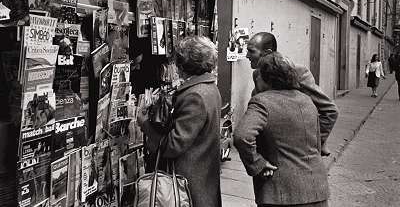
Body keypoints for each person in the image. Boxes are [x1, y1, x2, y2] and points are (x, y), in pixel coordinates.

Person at [234, 52, 329, 207]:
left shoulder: (262, 102)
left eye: (258, 75)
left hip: (281, 192)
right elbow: (316, 141)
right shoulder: (307, 100)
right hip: (317, 188)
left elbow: (242, 136)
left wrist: (258, 163)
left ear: (265, 78)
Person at [138, 36, 222, 207]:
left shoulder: (195, 95)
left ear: (183, 64)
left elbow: (173, 146)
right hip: (202, 176)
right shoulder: (209, 87)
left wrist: (145, 123)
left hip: (188, 182)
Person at [246, 32, 338, 155]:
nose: (247, 55)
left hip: (296, 155)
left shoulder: (296, 72)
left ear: (267, 52)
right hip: (270, 150)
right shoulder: (257, 74)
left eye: (251, 51)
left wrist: (315, 142)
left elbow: (330, 111)